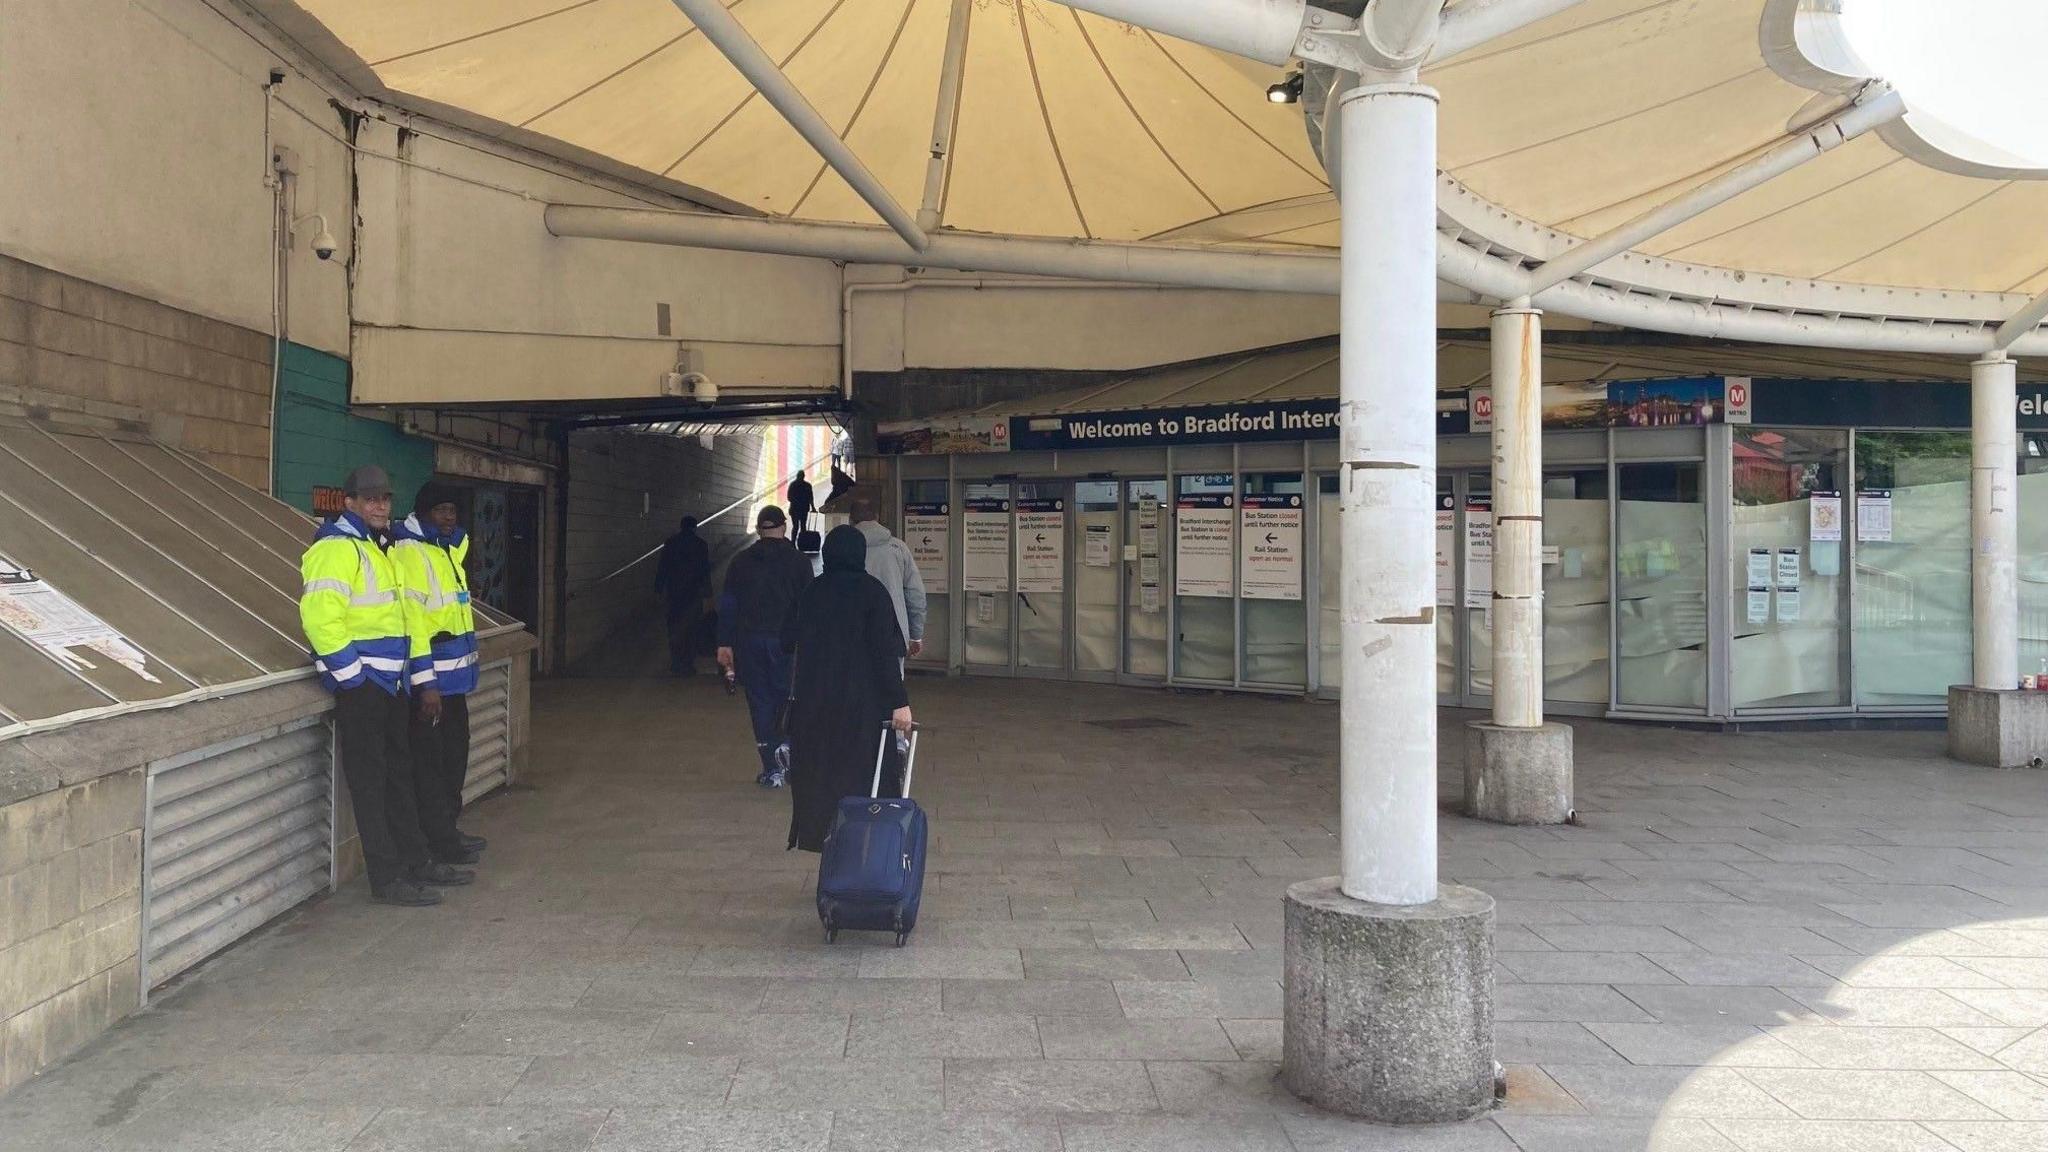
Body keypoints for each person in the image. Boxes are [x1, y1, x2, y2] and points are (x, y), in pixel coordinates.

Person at [299, 465, 473, 906]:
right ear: (350, 502)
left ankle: (415, 861)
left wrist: (415, 679)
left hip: (391, 685)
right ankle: (387, 877)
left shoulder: (378, 548)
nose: (380, 505)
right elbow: (321, 620)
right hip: (365, 688)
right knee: (371, 784)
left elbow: (405, 622)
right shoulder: (337, 549)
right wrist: (352, 680)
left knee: (398, 776)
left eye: (385, 498)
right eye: (371, 498)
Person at [781, 525, 914, 852]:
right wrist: (900, 702)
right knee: (863, 776)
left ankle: (822, 842)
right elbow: (886, 652)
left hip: (815, 705)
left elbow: (787, 640)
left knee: (821, 777)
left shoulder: (812, 592)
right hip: (862, 707)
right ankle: (863, 850)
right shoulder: (873, 592)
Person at [391, 482, 489, 868]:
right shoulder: (413, 554)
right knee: (431, 767)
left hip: (454, 682)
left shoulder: (446, 549)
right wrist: (425, 683)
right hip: (430, 686)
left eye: (453, 510)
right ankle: (438, 841)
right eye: (441, 510)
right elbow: (414, 623)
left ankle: (447, 829)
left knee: (454, 757)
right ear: (425, 512)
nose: (449, 518)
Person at [717, 505, 813, 788]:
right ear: (784, 527)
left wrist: (724, 642)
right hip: (786, 644)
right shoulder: (798, 562)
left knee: (760, 702)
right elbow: (808, 605)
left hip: (749, 642)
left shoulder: (740, 562)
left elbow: (729, 606)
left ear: (759, 530)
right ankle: (789, 752)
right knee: (789, 699)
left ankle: (771, 768)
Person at [849, 495, 927, 660]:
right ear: (877, 517)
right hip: (893, 632)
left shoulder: (842, 551)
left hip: (853, 634)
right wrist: (915, 635)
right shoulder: (898, 548)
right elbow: (915, 593)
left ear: (851, 520)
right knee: (891, 682)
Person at [654, 514, 712, 675]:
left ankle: (676, 662)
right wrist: (708, 594)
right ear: (694, 528)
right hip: (693, 594)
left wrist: (658, 589)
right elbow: (704, 571)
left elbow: (662, 568)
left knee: (674, 628)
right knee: (692, 629)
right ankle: (688, 663)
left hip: (674, 594)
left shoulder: (670, 544)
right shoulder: (700, 545)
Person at [785, 470, 815, 537]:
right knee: (803, 526)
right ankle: (803, 542)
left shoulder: (793, 485)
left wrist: (796, 501)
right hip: (803, 509)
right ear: (803, 476)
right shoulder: (807, 485)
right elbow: (811, 498)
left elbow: (789, 497)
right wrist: (813, 507)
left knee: (795, 526)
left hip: (794, 509)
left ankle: (793, 543)